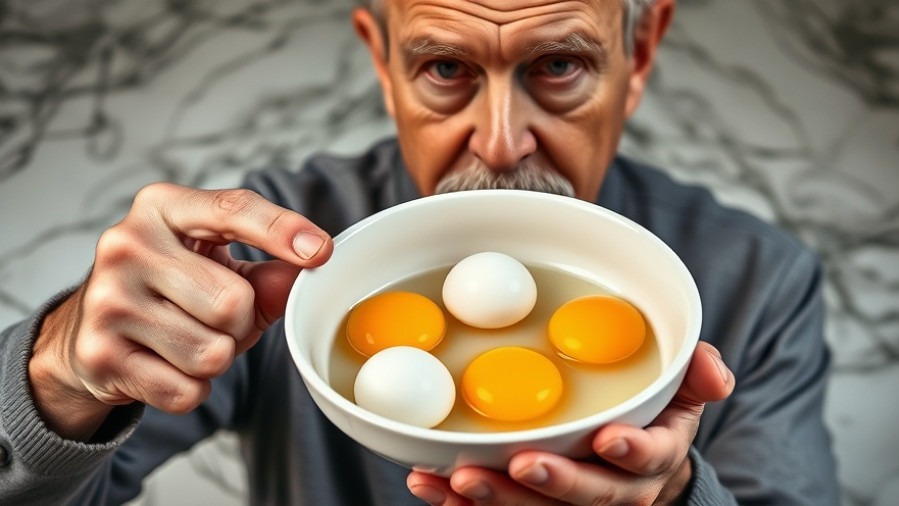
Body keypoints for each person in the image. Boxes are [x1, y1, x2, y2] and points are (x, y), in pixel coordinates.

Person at [0, 0, 839, 504]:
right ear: (381, 58)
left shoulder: (758, 278)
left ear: (639, 52)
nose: (502, 141)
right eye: (444, 66)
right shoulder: (272, 250)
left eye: (556, 64)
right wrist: (59, 379)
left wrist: (674, 500)